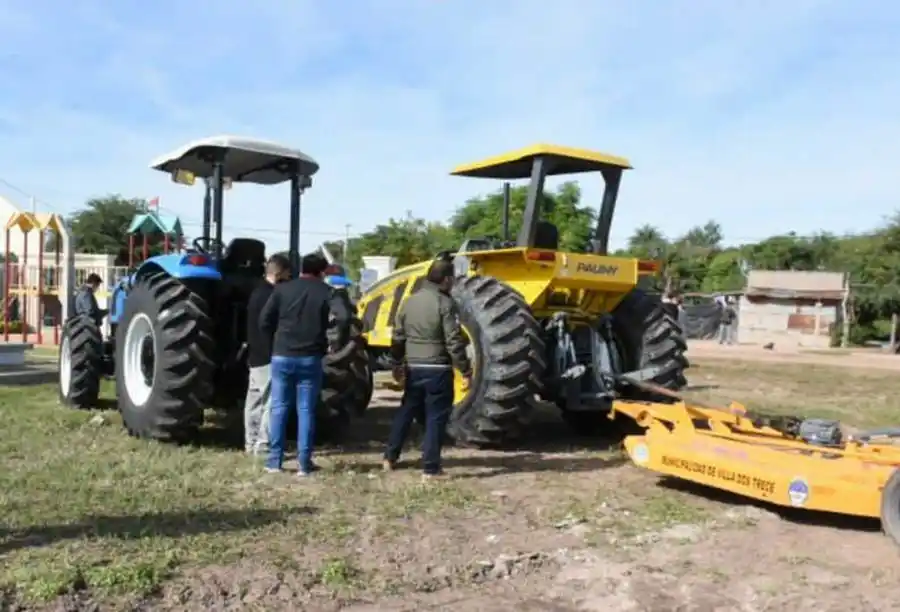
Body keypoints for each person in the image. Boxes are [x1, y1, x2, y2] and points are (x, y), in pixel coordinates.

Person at [259, 252, 351, 476]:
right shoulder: (326, 291)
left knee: (278, 407)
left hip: (282, 355)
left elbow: (264, 320)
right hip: (310, 357)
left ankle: (274, 462)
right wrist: (337, 341)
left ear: (301, 268)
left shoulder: (282, 289)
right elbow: (344, 316)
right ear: (322, 272)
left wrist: (275, 342)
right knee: (306, 410)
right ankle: (303, 464)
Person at [383, 259, 472, 480]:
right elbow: (453, 341)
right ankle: (431, 468)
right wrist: (465, 369)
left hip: (414, 368)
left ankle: (389, 457)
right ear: (447, 279)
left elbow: (398, 337)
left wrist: (396, 364)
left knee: (406, 411)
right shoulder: (445, 303)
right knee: (436, 418)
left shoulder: (409, 302)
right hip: (438, 369)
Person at [243, 253, 291, 456]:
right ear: (280, 273)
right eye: (288, 274)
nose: (289, 278)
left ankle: (250, 442)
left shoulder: (256, 293)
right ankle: (263, 445)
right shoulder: (273, 295)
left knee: (254, 401)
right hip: (269, 353)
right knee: (271, 402)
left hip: (254, 354)